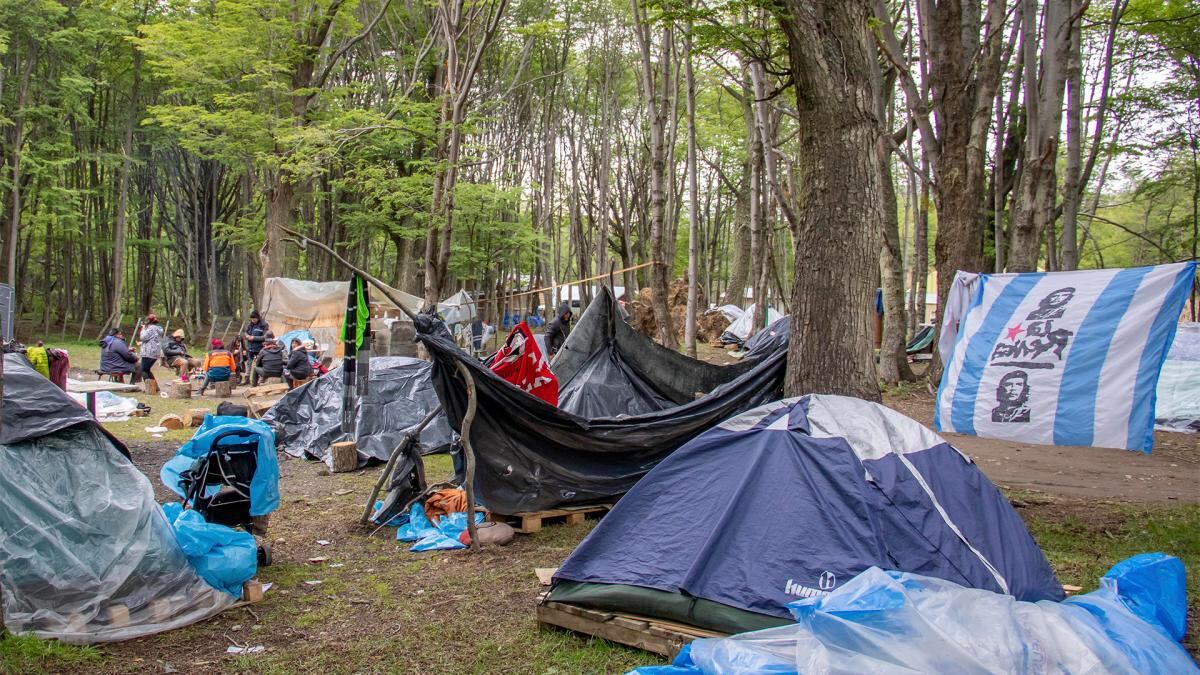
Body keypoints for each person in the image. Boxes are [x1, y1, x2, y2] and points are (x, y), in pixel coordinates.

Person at [138, 313, 164, 381]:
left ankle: (149, 388)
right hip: (155, 352)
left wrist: (143, 329)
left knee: (143, 370)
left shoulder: (151, 328)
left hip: (149, 352)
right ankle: (155, 388)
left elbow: (143, 337)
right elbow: (152, 339)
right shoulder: (158, 329)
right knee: (147, 370)